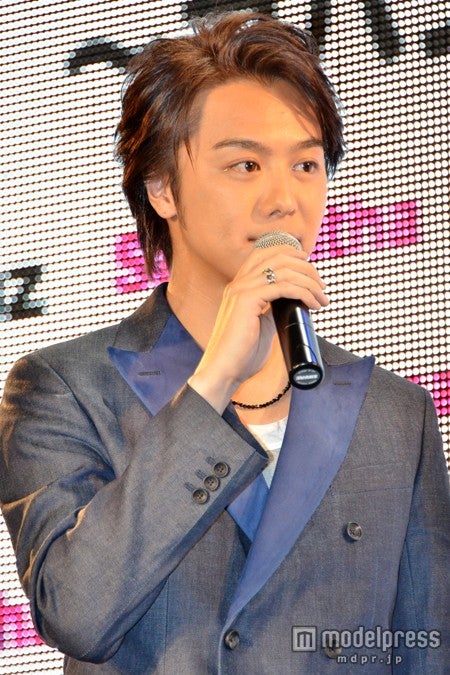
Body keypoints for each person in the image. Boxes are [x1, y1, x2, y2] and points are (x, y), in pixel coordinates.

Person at [0, 11, 448, 673]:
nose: (284, 199)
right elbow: (77, 610)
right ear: (162, 188)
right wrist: (212, 382)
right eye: (245, 164)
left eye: (306, 164)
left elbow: (424, 646)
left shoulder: (394, 413)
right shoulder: (63, 389)